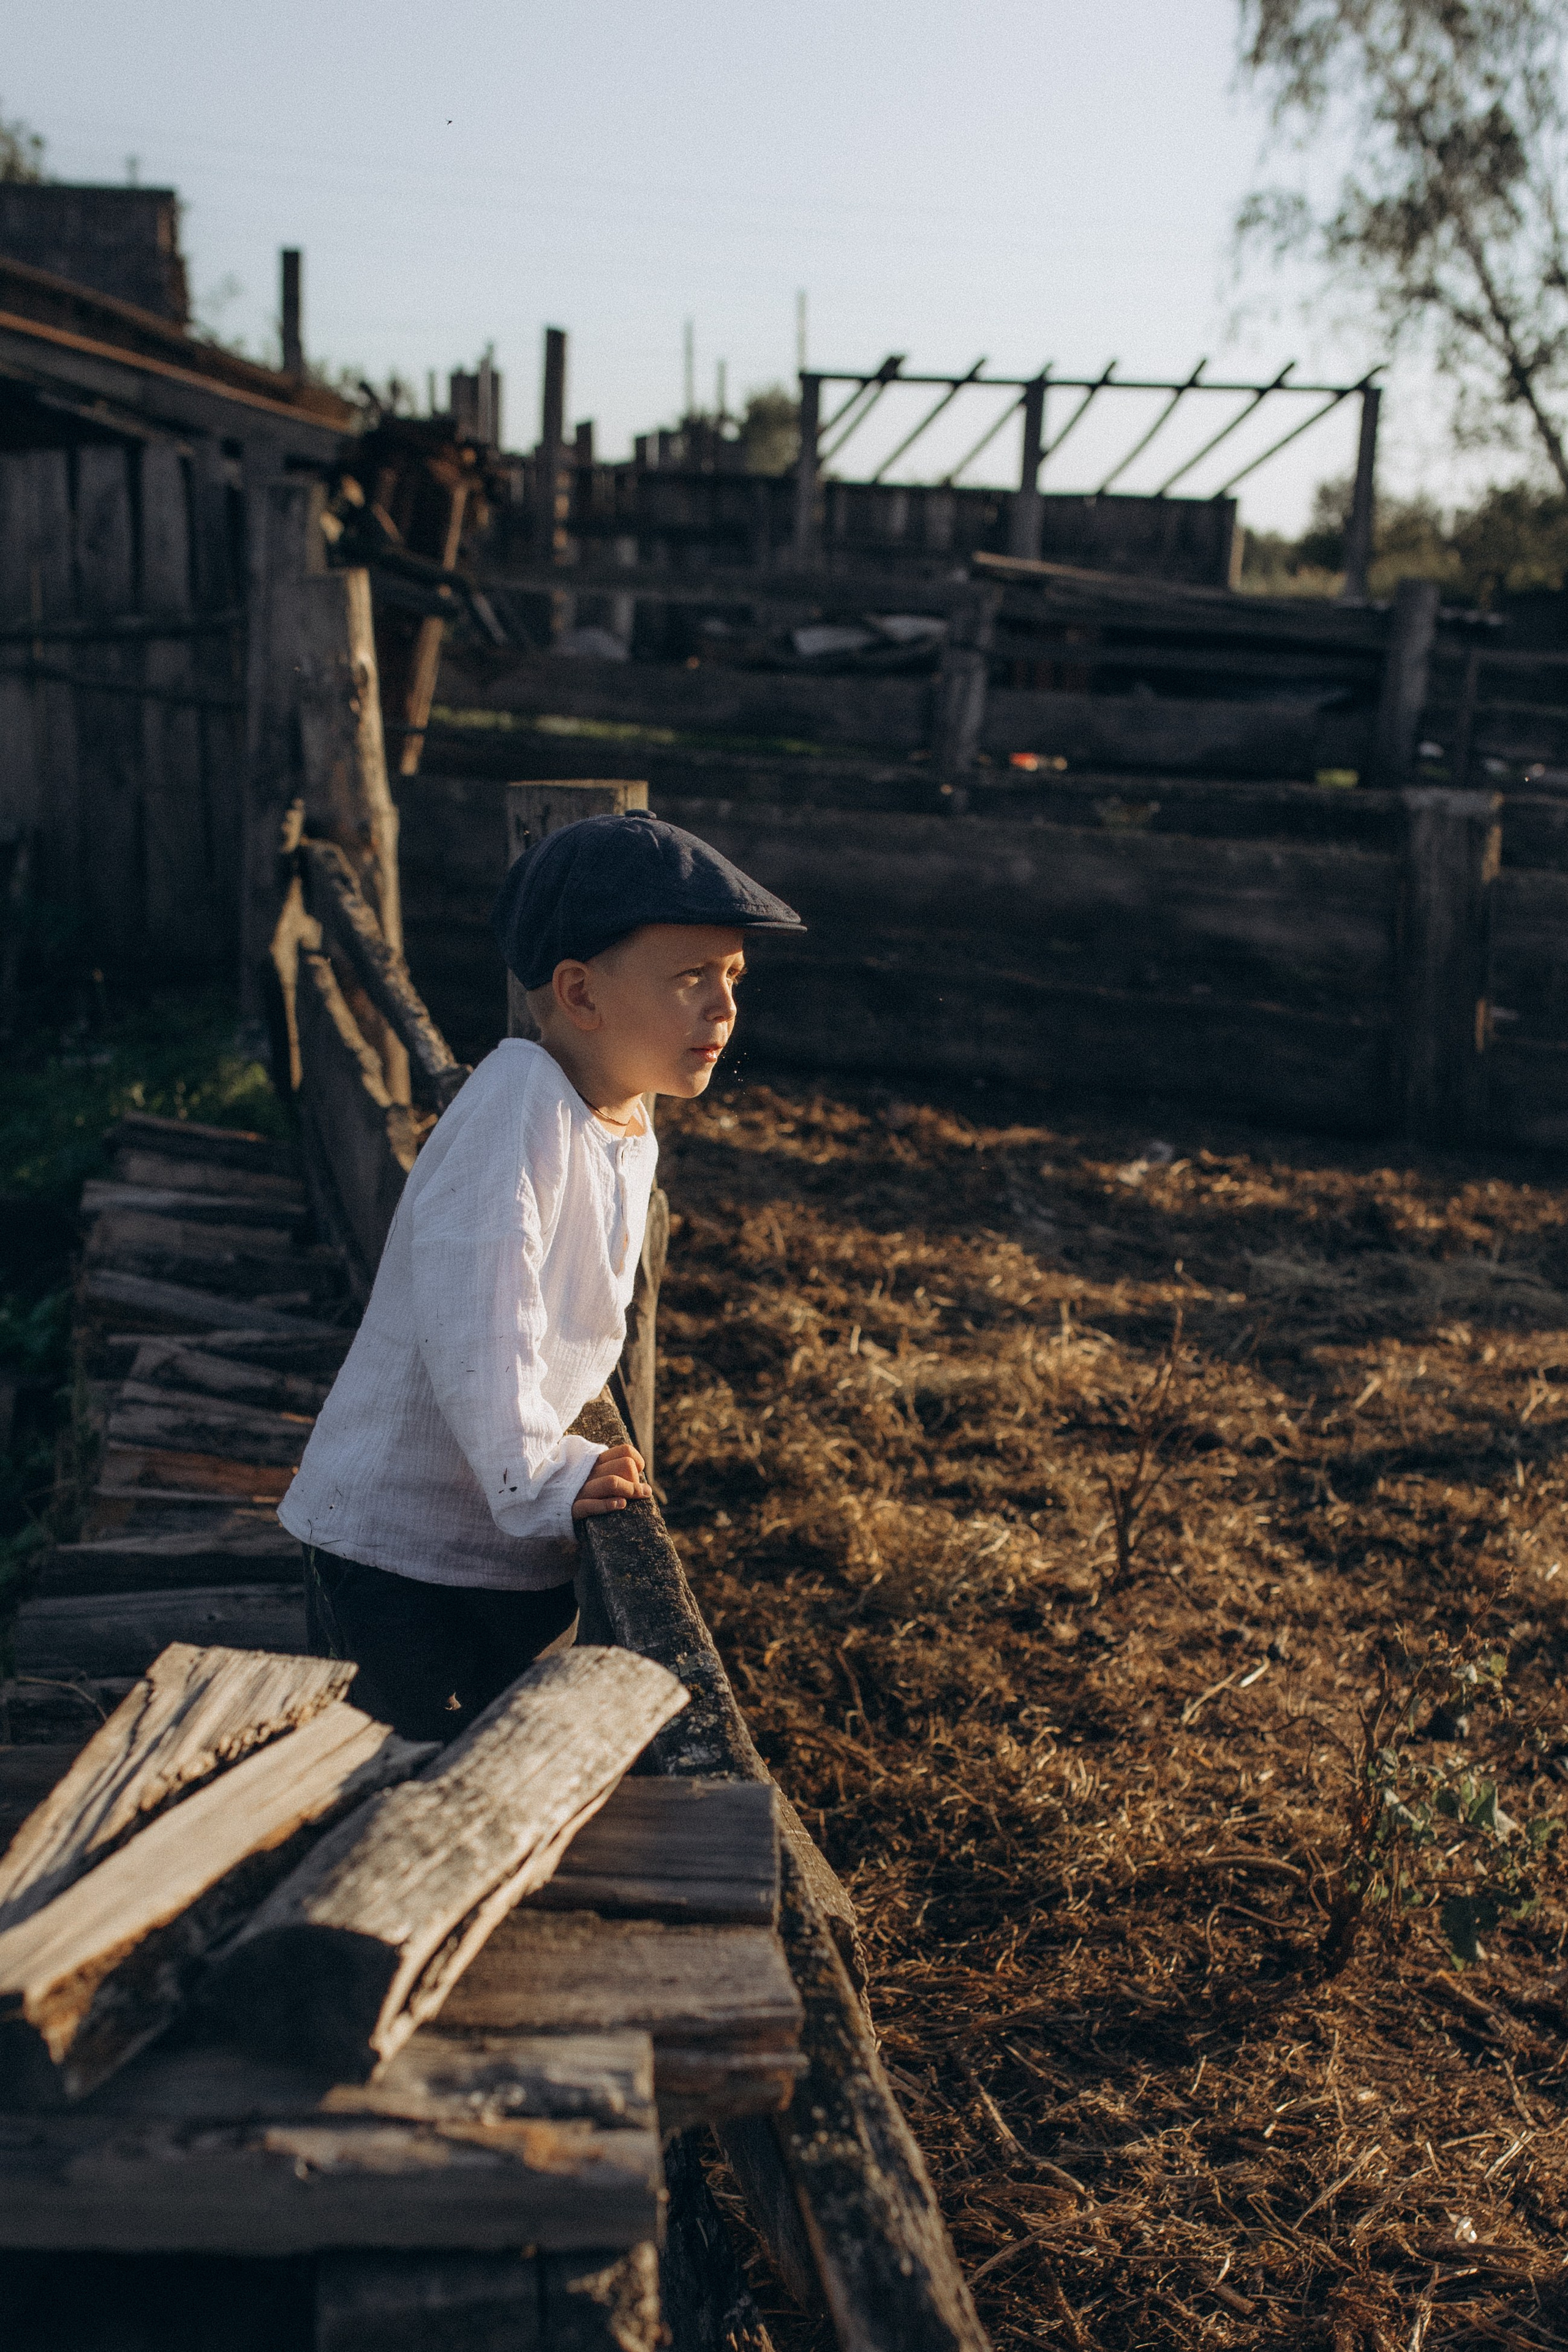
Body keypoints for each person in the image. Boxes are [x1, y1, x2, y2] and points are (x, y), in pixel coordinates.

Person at [277, 809, 803, 1743]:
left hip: (490, 1546)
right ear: (580, 993)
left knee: (481, 1764)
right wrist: (542, 1477)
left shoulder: (619, 1116)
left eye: (732, 979)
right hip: (404, 1555)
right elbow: (481, 1315)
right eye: (690, 979)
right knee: (396, 1787)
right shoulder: (518, 1103)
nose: (724, 1010)